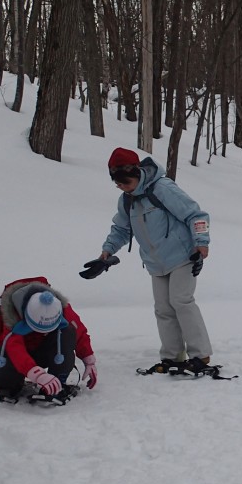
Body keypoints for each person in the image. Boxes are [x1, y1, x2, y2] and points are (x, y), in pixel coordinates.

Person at [92, 147, 213, 374]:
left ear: (137, 173)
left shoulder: (163, 188)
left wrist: (201, 243)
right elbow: (121, 228)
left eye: (125, 182)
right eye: (118, 184)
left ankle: (201, 355)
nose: (122, 187)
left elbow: (196, 215)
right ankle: (173, 356)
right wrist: (107, 251)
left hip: (183, 255)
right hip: (155, 263)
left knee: (181, 301)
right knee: (163, 309)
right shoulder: (126, 200)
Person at [0, 277, 97, 399]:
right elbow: (14, 348)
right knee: (2, 347)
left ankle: (58, 382)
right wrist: (36, 373)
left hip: (45, 351)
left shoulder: (60, 307)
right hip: (17, 357)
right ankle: (9, 385)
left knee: (67, 331)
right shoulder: (11, 315)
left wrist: (89, 360)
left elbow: (79, 332)